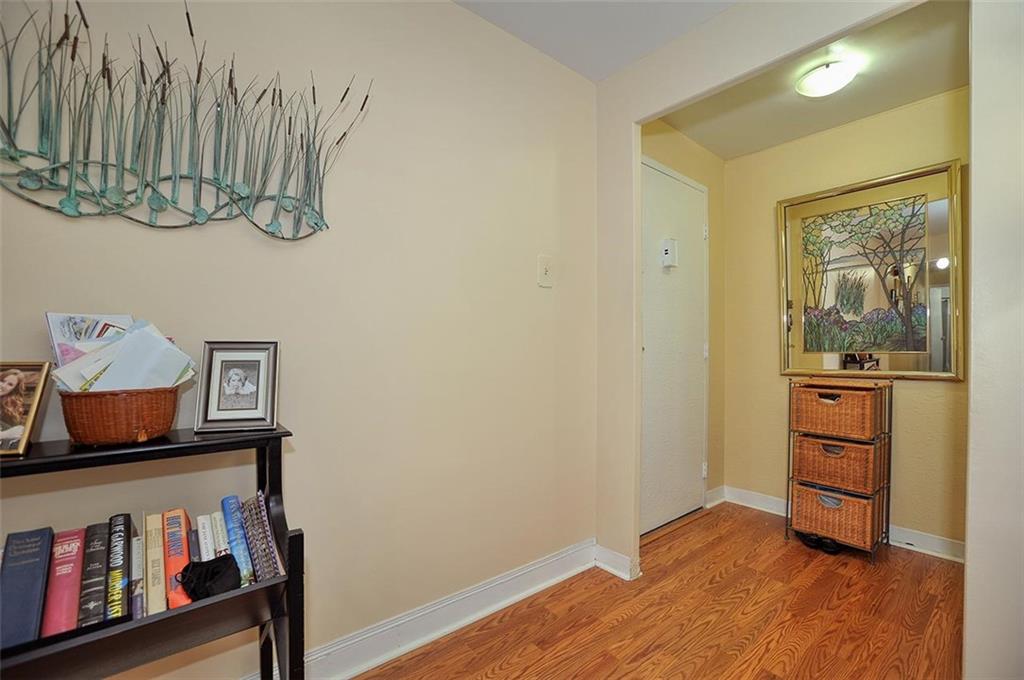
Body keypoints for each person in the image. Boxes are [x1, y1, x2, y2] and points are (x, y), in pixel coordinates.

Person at [0, 369, 27, 449]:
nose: (3, 386)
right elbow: (8, 434)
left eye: (10, 384)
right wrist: (5, 434)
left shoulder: (8, 408)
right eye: (2, 381)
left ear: (14, 390)